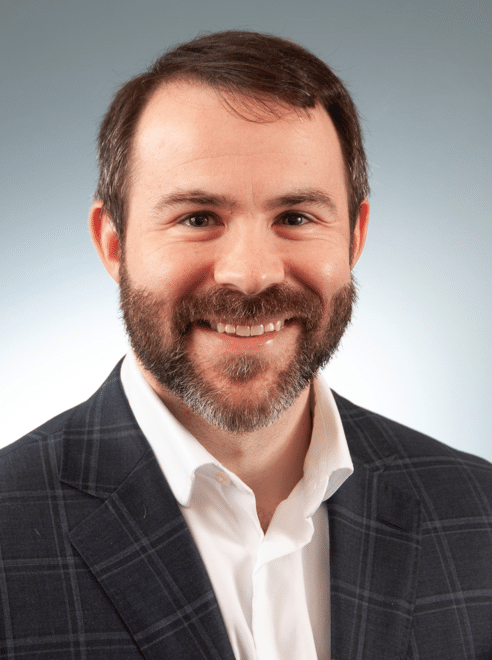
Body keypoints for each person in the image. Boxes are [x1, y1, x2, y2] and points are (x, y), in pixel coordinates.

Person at [1, 30, 491, 660]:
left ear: (355, 236)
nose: (252, 273)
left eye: (297, 218)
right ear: (113, 244)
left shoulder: (477, 515)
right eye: (198, 218)